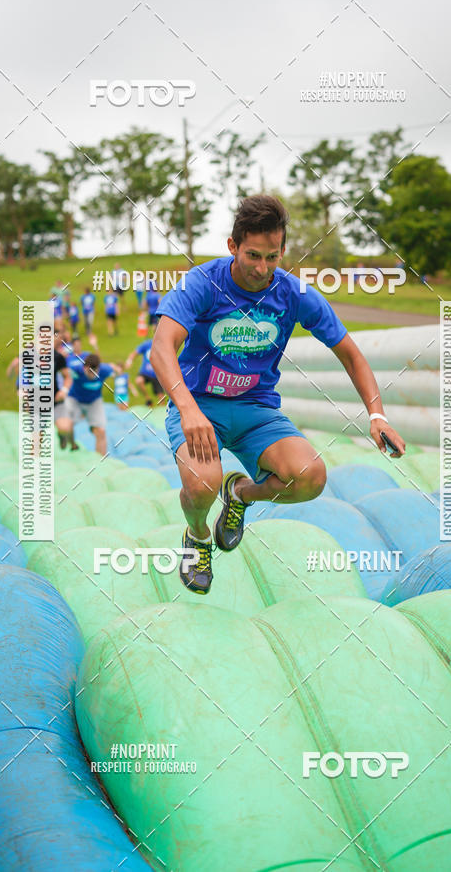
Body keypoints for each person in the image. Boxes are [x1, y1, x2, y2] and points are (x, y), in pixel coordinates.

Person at [151, 195, 406, 595]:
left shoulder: (294, 293)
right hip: (199, 406)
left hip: (256, 410)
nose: (262, 268)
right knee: (201, 485)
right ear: (232, 245)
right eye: (253, 255)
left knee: (310, 478)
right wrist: (187, 409)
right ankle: (198, 536)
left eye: (273, 257)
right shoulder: (202, 283)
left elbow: (351, 354)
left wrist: (377, 416)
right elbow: (161, 347)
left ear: (283, 250)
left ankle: (238, 495)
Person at [59, 353, 113, 455]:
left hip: (94, 401)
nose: (92, 376)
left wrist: (119, 371)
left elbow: (115, 369)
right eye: (89, 372)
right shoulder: (75, 370)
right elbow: (63, 372)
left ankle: (100, 462)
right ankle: (72, 444)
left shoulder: (104, 370)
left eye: (95, 372)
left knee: (101, 431)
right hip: (74, 399)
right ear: (84, 368)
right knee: (66, 426)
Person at [125, 327, 165, 406]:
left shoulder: (163, 345)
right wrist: (129, 361)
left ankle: (163, 412)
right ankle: (148, 398)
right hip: (145, 373)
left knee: (161, 399)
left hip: (157, 374)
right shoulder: (147, 344)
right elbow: (135, 353)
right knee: (139, 381)